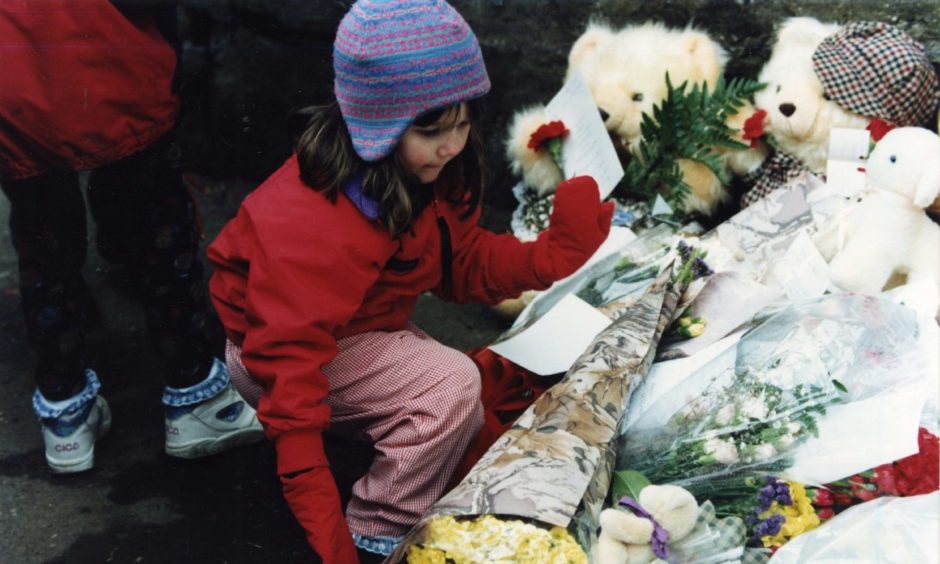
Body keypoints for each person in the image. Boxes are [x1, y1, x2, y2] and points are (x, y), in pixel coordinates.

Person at [207, 0, 615, 560]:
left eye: (464, 121)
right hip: (266, 353)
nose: (452, 145)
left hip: (353, 329)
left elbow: (459, 260)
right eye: (431, 130)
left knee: (454, 400)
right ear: (378, 123)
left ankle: (372, 462)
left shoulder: (419, 170)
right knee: (447, 388)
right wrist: (333, 546)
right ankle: (377, 530)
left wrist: (553, 255)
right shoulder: (312, 225)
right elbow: (289, 385)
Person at [0, 2, 263, 474]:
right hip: (112, 68)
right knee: (159, 234)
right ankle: (194, 393)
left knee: (45, 246)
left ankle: (66, 419)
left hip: (15, 84)